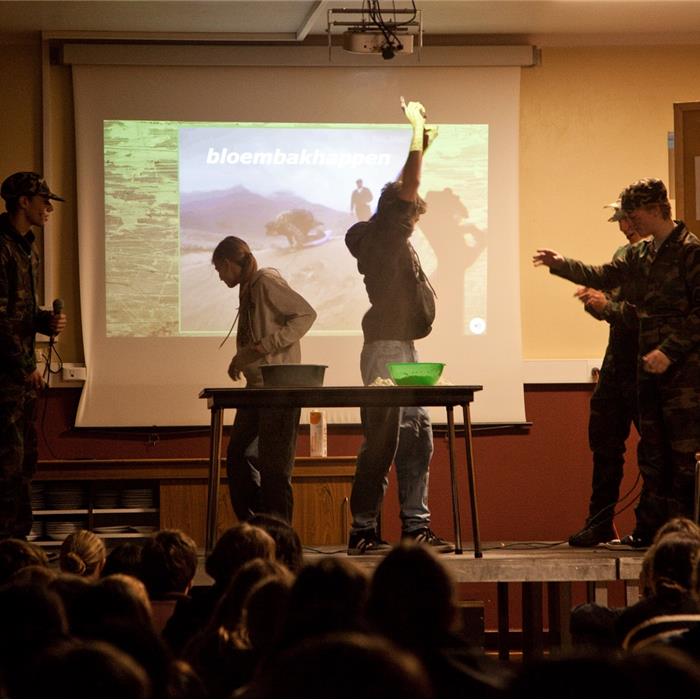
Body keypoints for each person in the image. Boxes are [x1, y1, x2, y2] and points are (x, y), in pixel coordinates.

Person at [534, 178, 700, 546]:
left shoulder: (690, 252)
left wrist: (669, 350)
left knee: (683, 457)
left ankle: (684, 538)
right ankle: (647, 533)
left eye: (634, 215)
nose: (629, 223)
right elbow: (603, 276)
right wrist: (561, 265)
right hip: (647, 372)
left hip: (682, 376)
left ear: (657, 209)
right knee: (653, 455)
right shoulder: (641, 255)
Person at [344, 97, 451, 555]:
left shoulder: (381, 236)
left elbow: (403, 195)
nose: (413, 220)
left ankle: (415, 527)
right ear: (396, 215)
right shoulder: (386, 234)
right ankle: (365, 530)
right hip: (387, 350)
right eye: (411, 215)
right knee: (386, 438)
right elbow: (407, 188)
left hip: (402, 349)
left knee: (418, 434)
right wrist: (417, 142)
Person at [212, 236, 316, 524]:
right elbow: (250, 338)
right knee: (238, 454)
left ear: (228, 263)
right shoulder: (247, 289)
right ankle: (259, 523)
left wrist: (264, 346)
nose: (220, 277)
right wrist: (240, 360)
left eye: (219, 271)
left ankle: (279, 535)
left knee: (275, 467)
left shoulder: (265, 281)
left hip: (280, 387)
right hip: (256, 388)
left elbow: (306, 315)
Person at [568, 200, 648, 547]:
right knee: (604, 446)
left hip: (651, 369)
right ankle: (599, 523)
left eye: (627, 221)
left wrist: (608, 305)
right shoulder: (623, 255)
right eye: (620, 222)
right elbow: (614, 310)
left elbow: (650, 314)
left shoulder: (669, 260)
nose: (622, 228)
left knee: (656, 454)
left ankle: (650, 527)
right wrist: (596, 303)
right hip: (617, 365)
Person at [0, 172, 66, 540]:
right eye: (43, 200)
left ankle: (17, 548)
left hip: (19, 383)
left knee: (23, 466)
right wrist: (26, 367)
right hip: (6, 380)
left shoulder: (28, 248)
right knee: (6, 470)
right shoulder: (1, 247)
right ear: (23, 202)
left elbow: (19, 314)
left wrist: (46, 321)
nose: (49, 208)